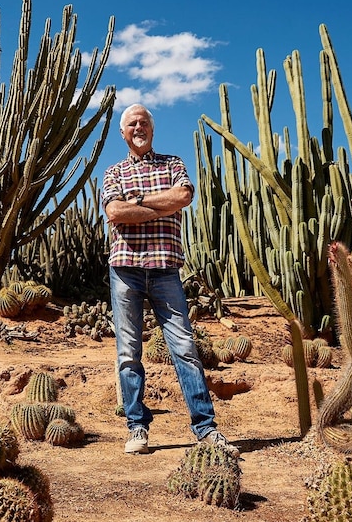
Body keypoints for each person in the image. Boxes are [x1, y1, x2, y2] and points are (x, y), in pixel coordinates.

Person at [101, 103, 235, 455]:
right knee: (128, 351)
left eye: (144, 122)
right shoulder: (113, 173)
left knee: (185, 349)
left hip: (166, 268)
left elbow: (183, 196)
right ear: (123, 133)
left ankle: (205, 429)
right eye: (132, 123)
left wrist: (140, 202)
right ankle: (136, 427)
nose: (139, 127)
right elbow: (115, 212)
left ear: (152, 129)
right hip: (125, 269)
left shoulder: (173, 164)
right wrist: (161, 208)